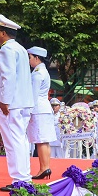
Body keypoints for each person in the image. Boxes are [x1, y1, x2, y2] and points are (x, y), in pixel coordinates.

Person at [0, 15, 34, 192]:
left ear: (3, 33)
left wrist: (5, 101)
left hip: (11, 103)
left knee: (12, 141)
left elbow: (8, 77)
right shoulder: (21, 49)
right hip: (22, 101)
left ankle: (19, 179)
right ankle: (24, 177)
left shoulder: (7, 50)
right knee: (20, 139)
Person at [26, 47, 56, 180]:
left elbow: (32, 94)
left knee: (40, 141)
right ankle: (46, 167)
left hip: (38, 109)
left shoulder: (37, 73)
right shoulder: (44, 71)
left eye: (30, 57)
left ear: (37, 58)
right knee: (44, 140)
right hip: (44, 108)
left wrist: (27, 110)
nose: (29, 60)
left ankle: (44, 168)